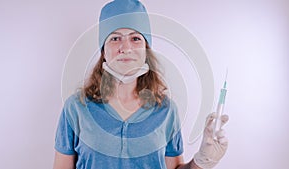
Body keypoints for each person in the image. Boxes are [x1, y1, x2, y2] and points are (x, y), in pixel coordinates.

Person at [53, 0, 229, 168]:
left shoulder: (166, 110)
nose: (126, 48)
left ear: (146, 49)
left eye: (135, 38)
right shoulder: (76, 108)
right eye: (115, 38)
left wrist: (202, 160)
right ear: (103, 51)